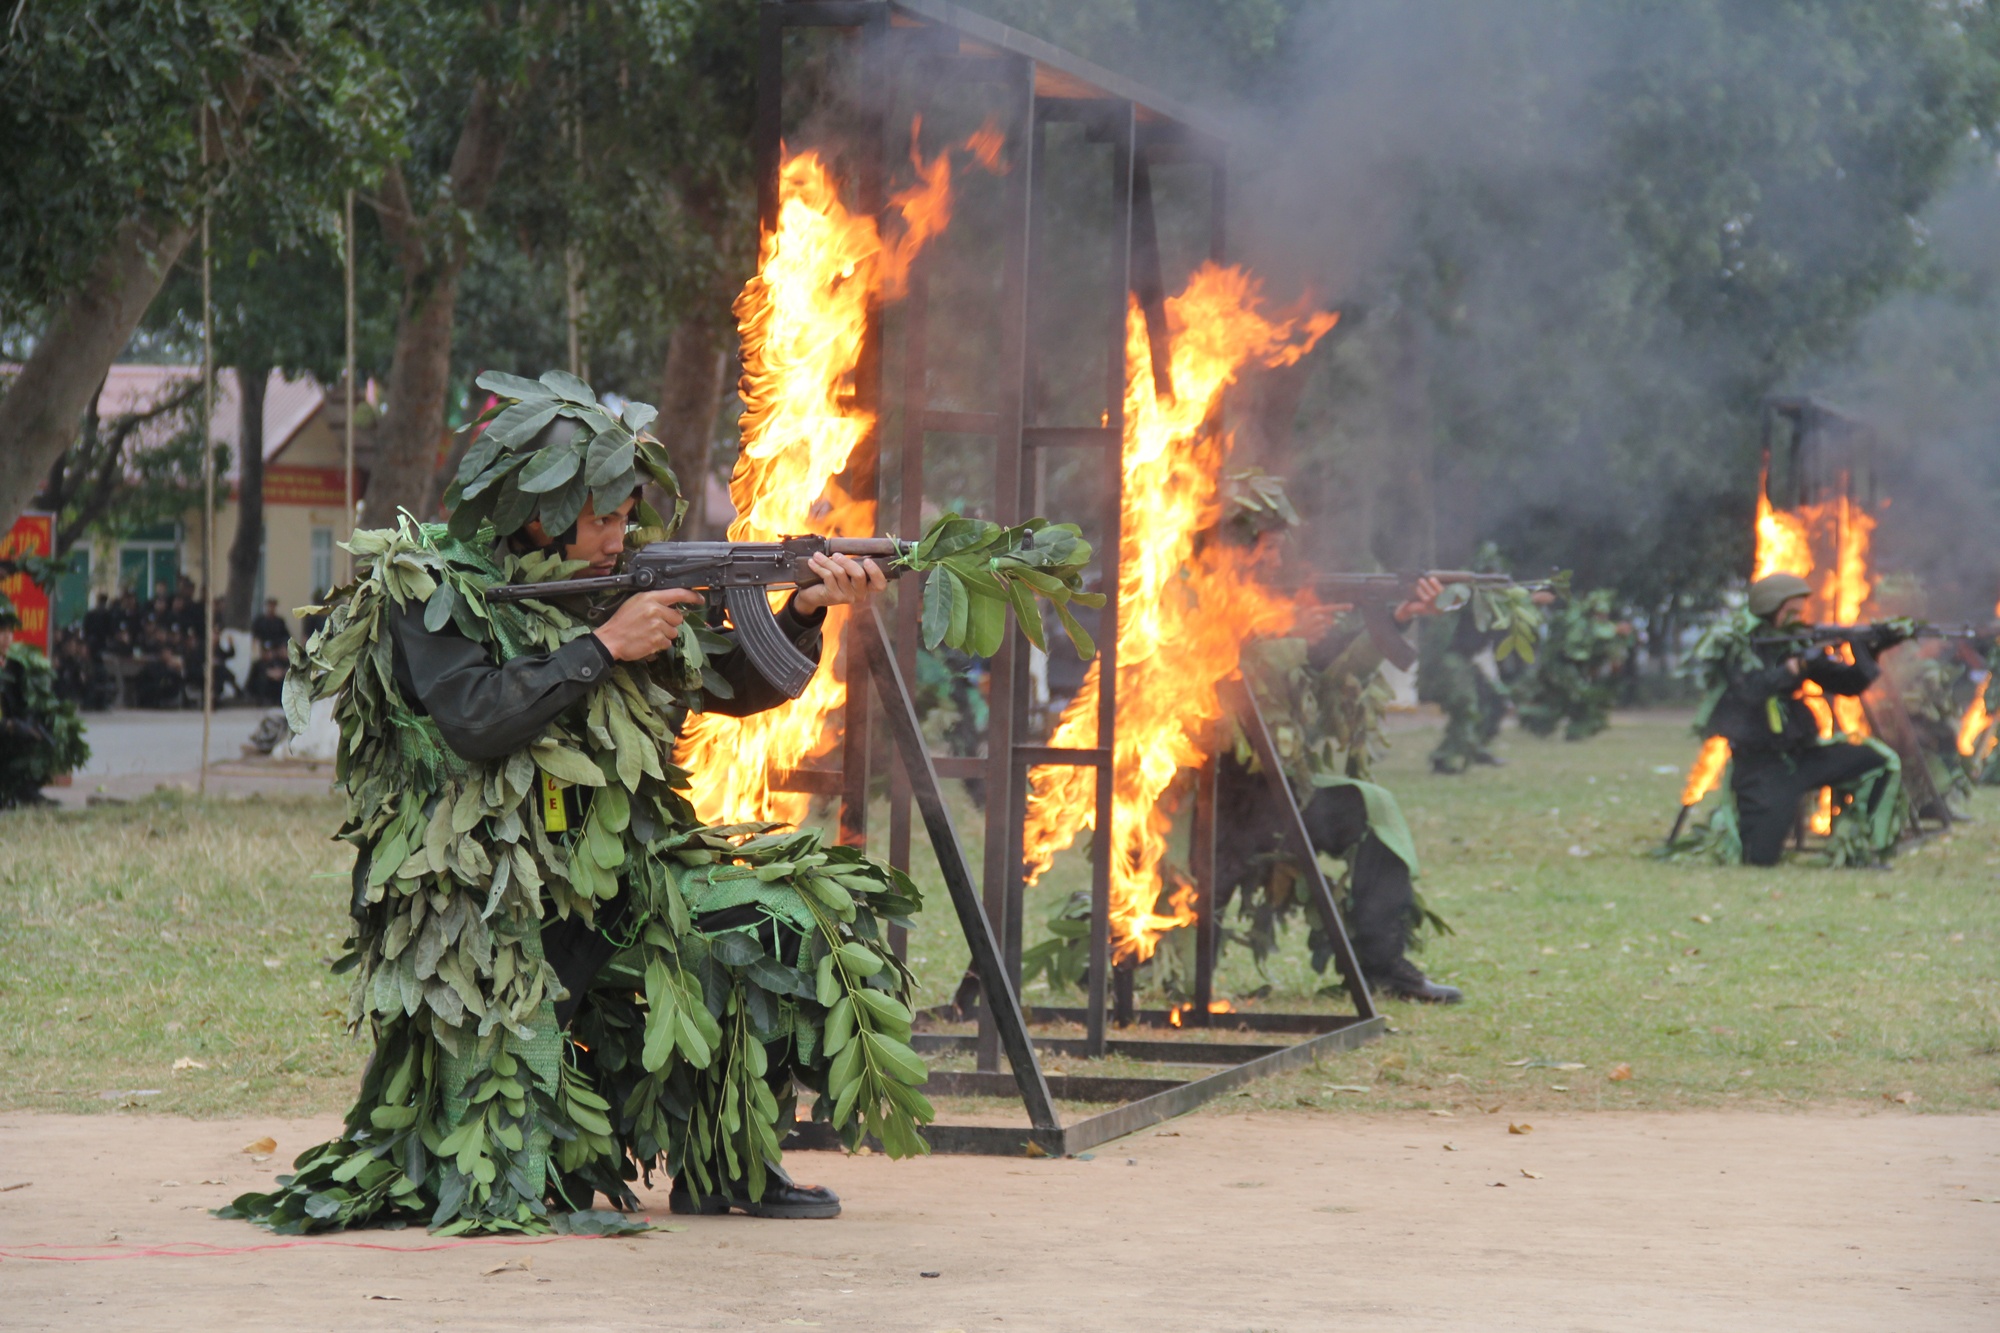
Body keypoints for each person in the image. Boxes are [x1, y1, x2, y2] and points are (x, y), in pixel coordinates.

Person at [222, 379, 932, 1237]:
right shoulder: (429, 588)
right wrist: (601, 647)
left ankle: (728, 1159)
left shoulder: (615, 581)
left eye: (626, 518)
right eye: (600, 520)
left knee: (779, 918)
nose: (618, 539)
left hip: (619, 873)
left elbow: (730, 684)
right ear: (536, 511)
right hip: (482, 901)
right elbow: (474, 717)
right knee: (519, 1171)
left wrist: (804, 609)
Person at [1217, 577, 1462, 1004]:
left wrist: (1396, 617)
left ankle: (1382, 967)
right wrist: (1287, 634)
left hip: (1275, 794)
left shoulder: (1277, 601)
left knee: (1371, 810)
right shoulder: (1199, 588)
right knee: (1171, 940)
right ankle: (1131, 966)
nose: (1274, 561)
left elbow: (1336, 675)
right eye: (1267, 549)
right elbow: (1213, 666)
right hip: (1206, 797)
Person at [1693, 572, 1901, 866]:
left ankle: (1861, 846)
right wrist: (1792, 669)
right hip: (1761, 766)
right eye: (1790, 611)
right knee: (1760, 858)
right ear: (1769, 607)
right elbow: (1750, 691)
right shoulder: (1738, 644)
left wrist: (1871, 649)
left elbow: (1847, 684)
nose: (1798, 618)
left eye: (1800, 611)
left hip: (1803, 757)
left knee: (1879, 763)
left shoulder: (1795, 644)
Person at [0, 592, 90, 807]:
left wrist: (31, 723)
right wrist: (10, 726)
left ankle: (25, 791)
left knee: (51, 728)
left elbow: (24, 703)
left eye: (10, 631)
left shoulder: (15, 666)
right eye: (2, 632)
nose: (7, 638)